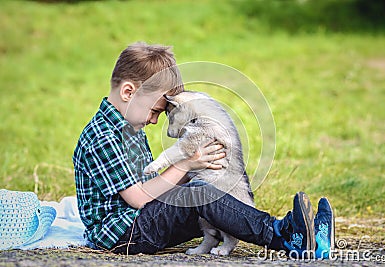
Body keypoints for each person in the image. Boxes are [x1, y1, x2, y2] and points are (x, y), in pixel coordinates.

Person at [73, 42, 334, 259]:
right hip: (122, 235)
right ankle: (285, 235)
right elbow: (138, 198)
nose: (154, 121)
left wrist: (197, 167)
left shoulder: (128, 128)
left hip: (143, 220)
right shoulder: (103, 136)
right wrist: (185, 166)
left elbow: (151, 188)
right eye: (154, 111)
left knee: (207, 190)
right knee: (199, 194)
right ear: (128, 92)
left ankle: (307, 235)